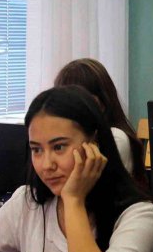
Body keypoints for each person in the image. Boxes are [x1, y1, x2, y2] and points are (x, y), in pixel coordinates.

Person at [0, 85, 153, 252]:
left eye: (59, 147)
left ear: (94, 145)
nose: (46, 164)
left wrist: (73, 200)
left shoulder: (140, 214)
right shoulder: (27, 202)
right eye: (36, 150)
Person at [54, 58, 147, 189]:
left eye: (79, 101)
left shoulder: (115, 138)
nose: (70, 108)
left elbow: (82, 188)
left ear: (102, 103)